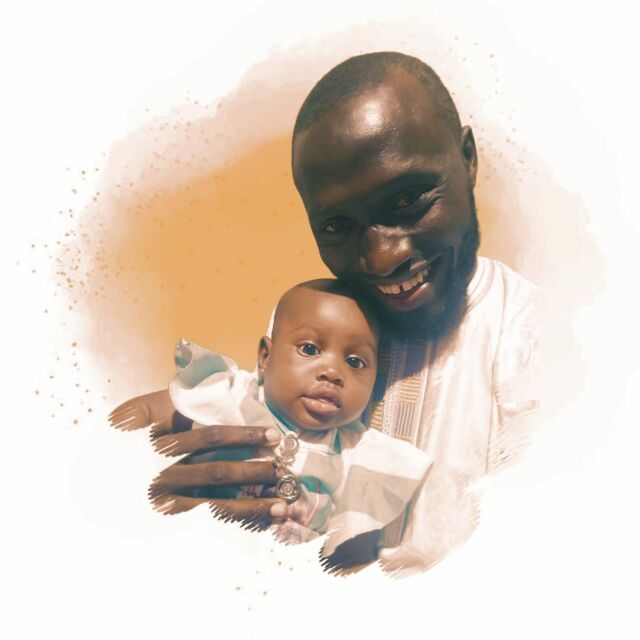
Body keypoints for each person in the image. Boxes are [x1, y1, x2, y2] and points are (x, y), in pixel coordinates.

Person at [111, 51, 538, 573]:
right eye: (337, 226)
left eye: (408, 199)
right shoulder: (314, 320)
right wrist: (161, 505)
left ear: (467, 160)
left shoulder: (540, 348)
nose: (381, 259)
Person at [137, 279, 430, 566]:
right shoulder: (235, 396)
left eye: (355, 362)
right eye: (310, 349)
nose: (332, 372)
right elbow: (146, 414)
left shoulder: (360, 456)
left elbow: (354, 557)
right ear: (265, 357)